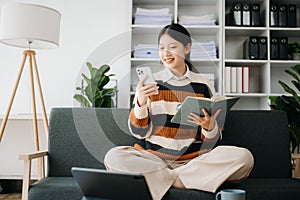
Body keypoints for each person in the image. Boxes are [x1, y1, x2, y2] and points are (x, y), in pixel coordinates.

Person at [104, 23, 254, 200]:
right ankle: (182, 180)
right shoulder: (150, 84)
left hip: (193, 161)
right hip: (154, 160)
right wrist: (140, 103)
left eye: (173, 47)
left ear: (187, 48)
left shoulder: (204, 85)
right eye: (161, 48)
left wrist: (209, 127)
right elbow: (139, 132)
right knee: (113, 157)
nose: (166, 53)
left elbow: (212, 140)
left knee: (244, 157)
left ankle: (163, 180)